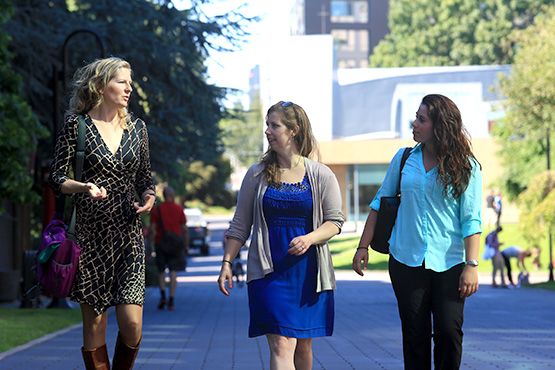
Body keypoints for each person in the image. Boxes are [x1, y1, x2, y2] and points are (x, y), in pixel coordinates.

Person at [352, 94, 482, 370]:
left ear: (440, 126)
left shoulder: (467, 167)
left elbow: (471, 220)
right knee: (414, 335)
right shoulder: (403, 159)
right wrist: (362, 247)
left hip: (450, 263)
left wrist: (471, 265)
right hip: (405, 260)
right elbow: (379, 202)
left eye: (421, 119)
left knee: (449, 333)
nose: (414, 123)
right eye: (416, 117)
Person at [218, 101, 344, 370]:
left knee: (303, 346)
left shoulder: (321, 174)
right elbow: (240, 224)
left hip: (309, 271)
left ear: (294, 130)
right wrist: (227, 263)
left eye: (274, 125)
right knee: (282, 343)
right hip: (268, 270)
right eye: (267, 125)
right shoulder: (256, 174)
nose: (268, 131)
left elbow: (335, 222)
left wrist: (309, 238)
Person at [48, 57, 155, 370]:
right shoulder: (77, 126)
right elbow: (56, 177)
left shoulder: (138, 129)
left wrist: (149, 197)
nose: (129, 87)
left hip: (129, 235)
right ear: (100, 85)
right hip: (89, 237)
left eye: (129, 82)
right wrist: (82, 186)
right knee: (95, 325)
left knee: (132, 324)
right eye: (122, 81)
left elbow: (145, 178)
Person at [148, 186, 189, 310]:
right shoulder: (179, 209)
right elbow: (185, 230)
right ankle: (171, 300)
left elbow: (153, 231)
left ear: (164, 195)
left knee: (161, 271)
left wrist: (149, 247)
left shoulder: (157, 210)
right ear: (173, 195)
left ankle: (162, 297)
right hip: (175, 245)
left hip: (161, 243)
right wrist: (186, 245)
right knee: (173, 272)